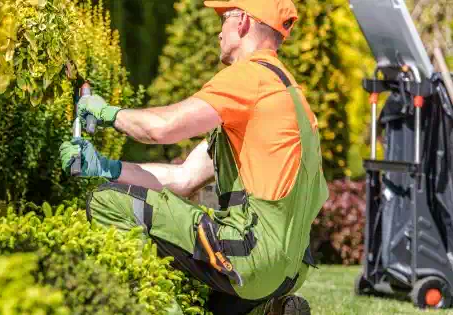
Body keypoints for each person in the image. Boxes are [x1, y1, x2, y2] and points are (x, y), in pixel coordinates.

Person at [59, 0, 329, 314]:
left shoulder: (250, 77)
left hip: (253, 255)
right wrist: (106, 166)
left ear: (242, 21)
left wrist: (108, 113)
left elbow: (160, 129)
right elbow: (184, 178)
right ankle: (269, 310)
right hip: (289, 268)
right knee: (211, 304)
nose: (219, 32)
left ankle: (145, 306)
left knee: (107, 202)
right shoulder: (288, 93)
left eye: (223, 18)